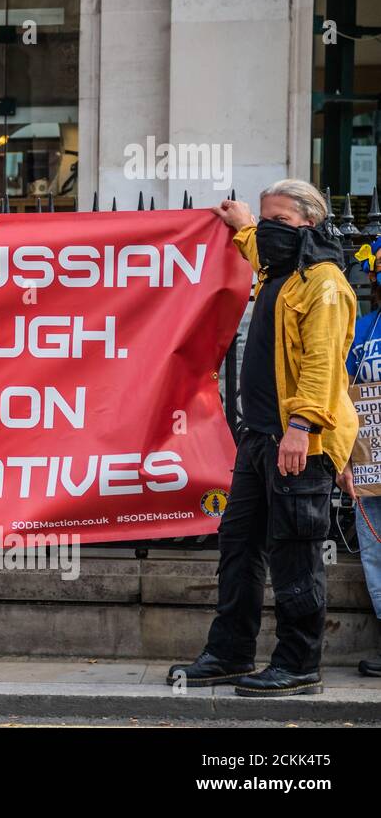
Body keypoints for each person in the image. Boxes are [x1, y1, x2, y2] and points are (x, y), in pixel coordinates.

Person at [168, 180, 356, 696]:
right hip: (259, 439)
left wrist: (301, 428)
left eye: (282, 222)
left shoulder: (325, 284)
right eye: (267, 221)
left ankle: (299, 664)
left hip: (299, 443)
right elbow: (257, 242)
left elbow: (322, 366)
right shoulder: (281, 271)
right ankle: (230, 653)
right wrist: (244, 222)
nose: (269, 231)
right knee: (238, 544)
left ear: (310, 226)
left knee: (294, 553)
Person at [343, 237, 381, 677]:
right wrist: (345, 461)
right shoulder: (360, 329)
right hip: (370, 461)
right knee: (374, 552)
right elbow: (341, 395)